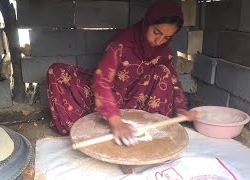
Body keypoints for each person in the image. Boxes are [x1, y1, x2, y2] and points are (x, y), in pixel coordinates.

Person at [46, 0, 197, 145]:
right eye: (156, 32)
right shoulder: (123, 42)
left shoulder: (164, 52)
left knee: (164, 72)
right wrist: (115, 121)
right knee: (56, 71)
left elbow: (174, 82)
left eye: (167, 37)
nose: (158, 41)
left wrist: (181, 108)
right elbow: (102, 81)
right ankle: (95, 125)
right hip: (108, 95)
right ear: (147, 22)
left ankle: (147, 131)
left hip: (138, 100)